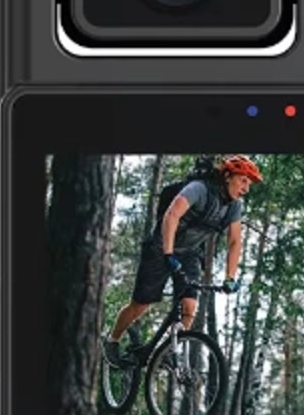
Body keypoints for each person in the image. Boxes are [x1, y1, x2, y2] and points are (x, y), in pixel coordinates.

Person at [103, 156, 263, 366]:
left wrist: (230, 278)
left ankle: (167, 352)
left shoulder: (233, 207)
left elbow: (234, 242)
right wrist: (168, 254)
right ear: (227, 176)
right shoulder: (199, 189)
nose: (246, 189)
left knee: (189, 305)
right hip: (161, 247)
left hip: (188, 252)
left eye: (249, 184)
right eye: (243, 181)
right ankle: (112, 340)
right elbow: (172, 215)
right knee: (140, 305)